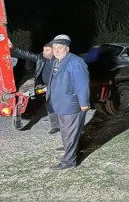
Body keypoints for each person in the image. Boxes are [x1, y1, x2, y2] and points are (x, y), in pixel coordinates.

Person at [48, 34, 90, 170]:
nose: (56, 51)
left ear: (67, 48)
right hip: (61, 103)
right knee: (67, 131)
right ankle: (68, 147)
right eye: (54, 48)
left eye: (59, 48)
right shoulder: (57, 61)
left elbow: (82, 84)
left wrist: (84, 103)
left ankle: (69, 161)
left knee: (70, 132)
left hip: (72, 105)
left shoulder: (76, 62)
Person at [9, 40, 59, 134]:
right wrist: (13, 48)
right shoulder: (41, 57)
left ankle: (66, 126)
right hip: (45, 85)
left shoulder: (60, 61)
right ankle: (56, 126)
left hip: (58, 86)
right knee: (50, 106)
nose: (44, 52)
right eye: (43, 50)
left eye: (47, 50)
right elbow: (26, 54)